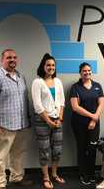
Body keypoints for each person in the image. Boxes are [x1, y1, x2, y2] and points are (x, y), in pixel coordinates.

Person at [0, 49, 31, 189]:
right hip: (4, 125)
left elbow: (24, 99)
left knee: (18, 154)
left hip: (21, 124)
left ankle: (16, 177)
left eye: (15, 57)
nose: (12, 60)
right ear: (2, 60)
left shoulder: (21, 77)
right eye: (9, 57)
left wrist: (27, 119)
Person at [31, 53, 65, 189]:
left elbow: (62, 101)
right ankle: (45, 177)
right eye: (48, 65)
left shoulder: (58, 81)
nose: (51, 67)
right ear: (43, 66)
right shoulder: (37, 82)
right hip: (42, 120)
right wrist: (48, 121)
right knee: (44, 150)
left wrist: (60, 119)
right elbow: (37, 105)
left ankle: (54, 174)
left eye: (53, 65)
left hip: (58, 120)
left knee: (57, 150)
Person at [70, 62, 104, 185]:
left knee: (92, 148)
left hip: (94, 124)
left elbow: (101, 104)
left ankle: (91, 173)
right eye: (84, 71)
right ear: (80, 72)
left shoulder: (97, 86)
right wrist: (92, 116)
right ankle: (83, 174)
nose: (87, 72)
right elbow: (75, 107)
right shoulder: (75, 87)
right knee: (82, 148)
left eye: (89, 70)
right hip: (79, 123)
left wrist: (94, 120)